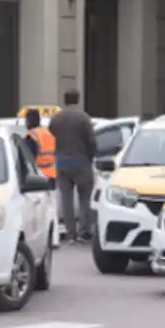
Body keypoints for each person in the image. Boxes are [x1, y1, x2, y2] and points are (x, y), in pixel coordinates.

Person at [48, 90, 96, 243]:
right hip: (81, 162)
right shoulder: (83, 118)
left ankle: (70, 234)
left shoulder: (56, 119)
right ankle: (84, 231)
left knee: (66, 199)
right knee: (85, 198)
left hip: (62, 163)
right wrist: (90, 157)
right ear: (78, 99)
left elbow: (51, 138)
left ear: (65, 100)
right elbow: (91, 142)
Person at [24, 109, 56, 186]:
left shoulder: (31, 136)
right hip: (53, 175)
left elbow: (27, 159)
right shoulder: (49, 134)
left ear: (28, 121)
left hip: (38, 177)